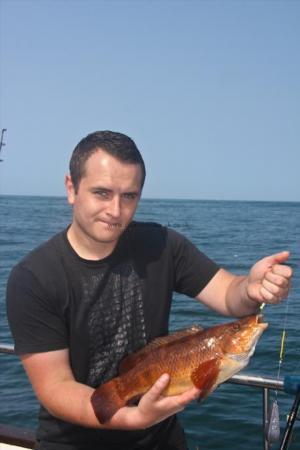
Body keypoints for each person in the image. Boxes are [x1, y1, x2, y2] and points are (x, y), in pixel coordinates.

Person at [6, 130, 292, 450]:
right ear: (71, 188)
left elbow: (229, 294)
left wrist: (251, 288)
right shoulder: (33, 278)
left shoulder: (163, 245)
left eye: (129, 196)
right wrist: (133, 417)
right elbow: (55, 388)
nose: (116, 211)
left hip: (161, 439)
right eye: (102, 193)